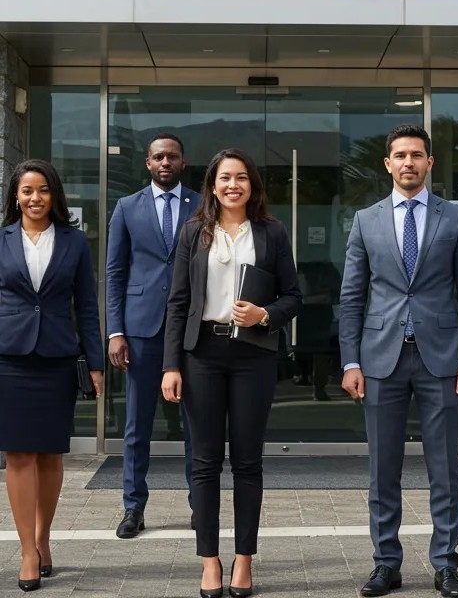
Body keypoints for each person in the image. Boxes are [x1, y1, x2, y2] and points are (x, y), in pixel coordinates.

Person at [340, 125, 458, 598]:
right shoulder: (366, 220)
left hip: (441, 360)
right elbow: (352, 297)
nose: (408, 162)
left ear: (429, 163)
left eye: (416, 155)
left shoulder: (455, 218)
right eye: (399, 155)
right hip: (379, 361)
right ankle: (386, 564)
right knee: (383, 471)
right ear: (387, 163)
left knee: (444, 469)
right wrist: (349, 363)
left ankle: (446, 565)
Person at [162, 148, 302, 598]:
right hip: (201, 352)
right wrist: (171, 365)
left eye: (241, 178)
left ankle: (243, 560)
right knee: (203, 463)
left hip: (254, 354)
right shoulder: (192, 233)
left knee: (247, 461)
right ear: (212, 185)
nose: (232, 186)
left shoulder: (272, 232)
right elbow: (178, 303)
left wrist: (264, 313)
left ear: (252, 185)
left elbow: (294, 296)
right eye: (224, 178)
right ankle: (209, 561)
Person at [0, 159, 104, 592]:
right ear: (15, 197)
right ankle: (27, 551)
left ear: (54, 195)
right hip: (9, 358)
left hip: (59, 356)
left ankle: (44, 537)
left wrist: (96, 363)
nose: (35, 198)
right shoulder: (0, 240)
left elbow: (87, 305)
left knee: (50, 455)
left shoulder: (75, 241)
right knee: (19, 454)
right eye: (27, 191)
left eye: (43, 190)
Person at [106, 133, 199, 538]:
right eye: (158, 157)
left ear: (182, 161)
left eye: (172, 156)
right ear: (148, 163)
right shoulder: (127, 207)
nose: (166, 162)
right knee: (137, 424)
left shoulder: (202, 204)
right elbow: (114, 271)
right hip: (141, 328)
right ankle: (133, 507)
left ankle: (201, 506)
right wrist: (115, 330)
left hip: (192, 328)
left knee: (197, 424)